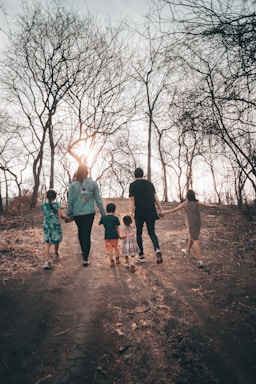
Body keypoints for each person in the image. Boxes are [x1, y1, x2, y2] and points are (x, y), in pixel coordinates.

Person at [162, 189, 216, 268]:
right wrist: (212, 205)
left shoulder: (184, 204)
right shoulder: (196, 202)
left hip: (191, 224)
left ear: (187, 196)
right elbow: (204, 204)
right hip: (198, 223)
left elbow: (173, 210)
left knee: (195, 240)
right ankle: (187, 251)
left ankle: (200, 261)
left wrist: (163, 212)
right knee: (192, 236)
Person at [66, 163, 105, 267]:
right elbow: (98, 200)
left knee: (81, 231)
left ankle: (83, 250)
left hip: (77, 213)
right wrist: (103, 214)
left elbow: (70, 201)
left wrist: (68, 214)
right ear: (87, 171)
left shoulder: (73, 185)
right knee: (86, 233)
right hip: (89, 213)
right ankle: (86, 258)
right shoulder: (93, 184)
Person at [129, 167, 164, 264]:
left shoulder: (133, 185)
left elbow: (132, 199)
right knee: (152, 232)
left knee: (139, 233)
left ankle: (141, 255)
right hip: (151, 211)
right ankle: (157, 249)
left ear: (134, 175)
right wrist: (161, 209)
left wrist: (130, 213)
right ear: (143, 174)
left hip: (139, 212)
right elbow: (155, 197)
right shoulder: (149, 184)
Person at [41, 189, 69, 270]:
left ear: (46, 196)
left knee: (47, 243)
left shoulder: (43, 205)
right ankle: (56, 253)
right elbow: (61, 215)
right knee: (56, 240)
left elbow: (45, 213)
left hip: (46, 225)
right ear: (55, 197)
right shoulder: (57, 204)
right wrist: (67, 218)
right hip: (55, 225)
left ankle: (46, 262)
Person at [99, 202, 123, 268]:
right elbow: (117, 227)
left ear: (106, 210)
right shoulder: (115, 218)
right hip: (115, 236)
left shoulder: (104, 218)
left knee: (109, 249)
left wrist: (102, 219)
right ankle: (117, 260)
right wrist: (119, 235)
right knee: (116, 248)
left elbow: (99, 223)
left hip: (107, 236)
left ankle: (111, 261)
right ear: (114, 210)